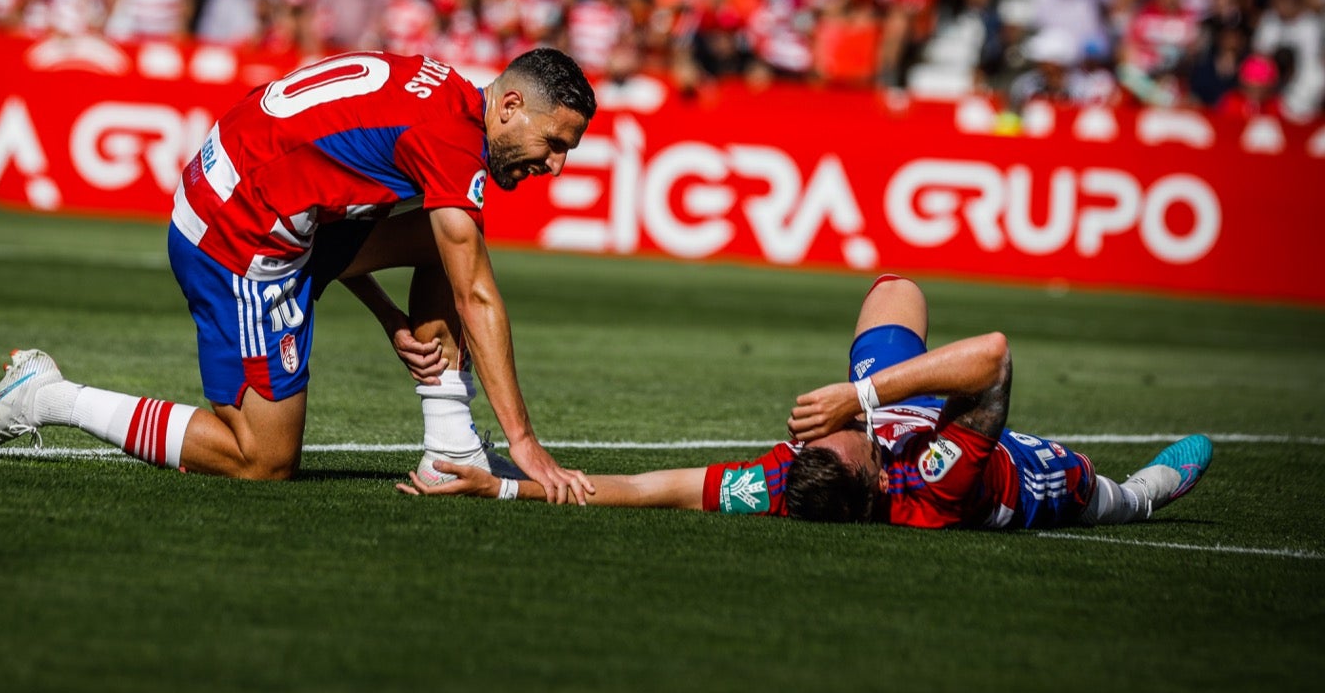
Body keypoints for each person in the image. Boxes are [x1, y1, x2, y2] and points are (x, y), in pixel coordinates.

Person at [0, 48, 600, 505]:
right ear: (511, 104)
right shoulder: (452, 143)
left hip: (251, 196)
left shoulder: (441, 91)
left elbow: (329, 189)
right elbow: (475, 296)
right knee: (262, 460)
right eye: (555, 143)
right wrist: (525, 444)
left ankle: (450, 448)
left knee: (450, 240)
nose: (557, 166)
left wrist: (388, 317)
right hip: (235, 237)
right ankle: (46, 396)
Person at [400, 276, 1211, 531]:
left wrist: (500, 483)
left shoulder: (788, 485)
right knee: (1112, 497)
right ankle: (1144, 493)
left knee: (895, 289)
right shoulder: (935, 484)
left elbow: (652, 488)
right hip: (1043, 479)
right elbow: (995, 357)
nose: (807, 438)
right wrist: (857, 396)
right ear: (871, 473)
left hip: (918, 414)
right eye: (834, 439)